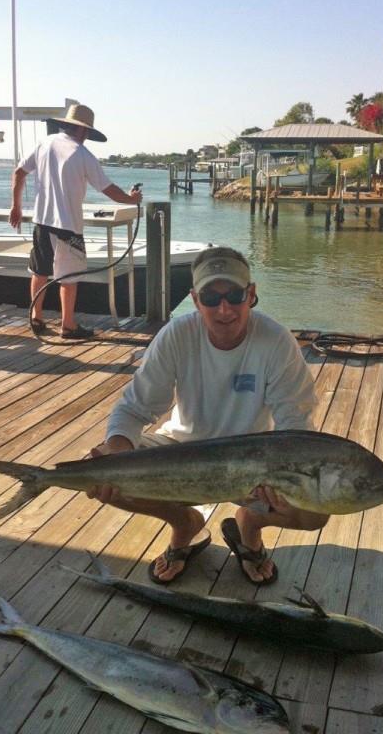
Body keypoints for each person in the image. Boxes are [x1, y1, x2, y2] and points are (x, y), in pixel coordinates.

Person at [86, 246, 327, 584]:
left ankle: (250, 524)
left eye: (234, 295)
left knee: (314, 511)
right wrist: (116, 456)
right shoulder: (176, 335)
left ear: (251, 294)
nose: (224, 308)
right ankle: (185, 524)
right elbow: (135, 408)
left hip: (255, 465)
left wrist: (283, 478)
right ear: (195, 299)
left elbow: (294, 424)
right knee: (99, 467)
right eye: (211, 297)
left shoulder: (276, 341)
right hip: (182, 448)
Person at [9, 103, 142, 339]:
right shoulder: (83, 155)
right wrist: (132, 200)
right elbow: (108, 189)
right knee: (69, 278)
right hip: (69, 225)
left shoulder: (44, 143)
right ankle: (67, 325)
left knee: (39, 272)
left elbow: (19, 172)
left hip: (42, 220)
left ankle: (36, 318)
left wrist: (16, 207)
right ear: (83, 131)